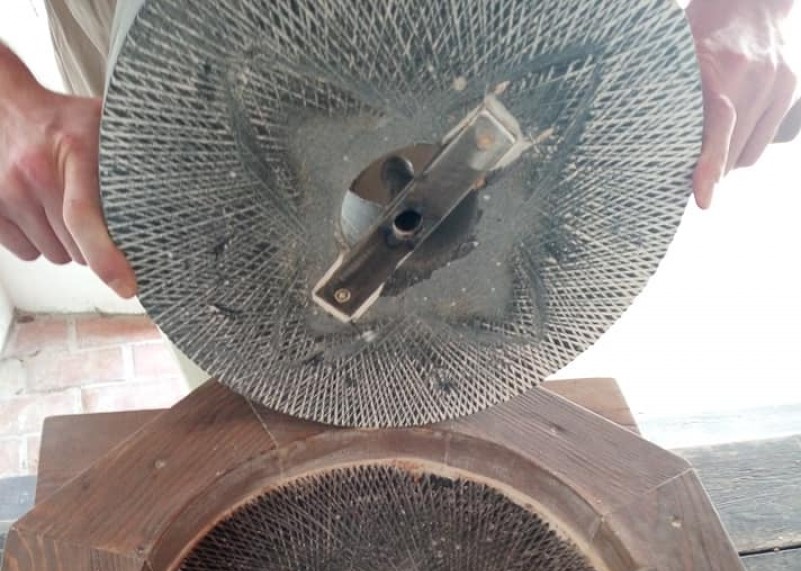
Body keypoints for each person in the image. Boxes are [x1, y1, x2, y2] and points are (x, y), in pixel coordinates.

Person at [0, 0, 798, 299]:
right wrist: (10, 104)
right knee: (255, 402)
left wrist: (756, 6)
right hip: (196, 73)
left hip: (520, 52)